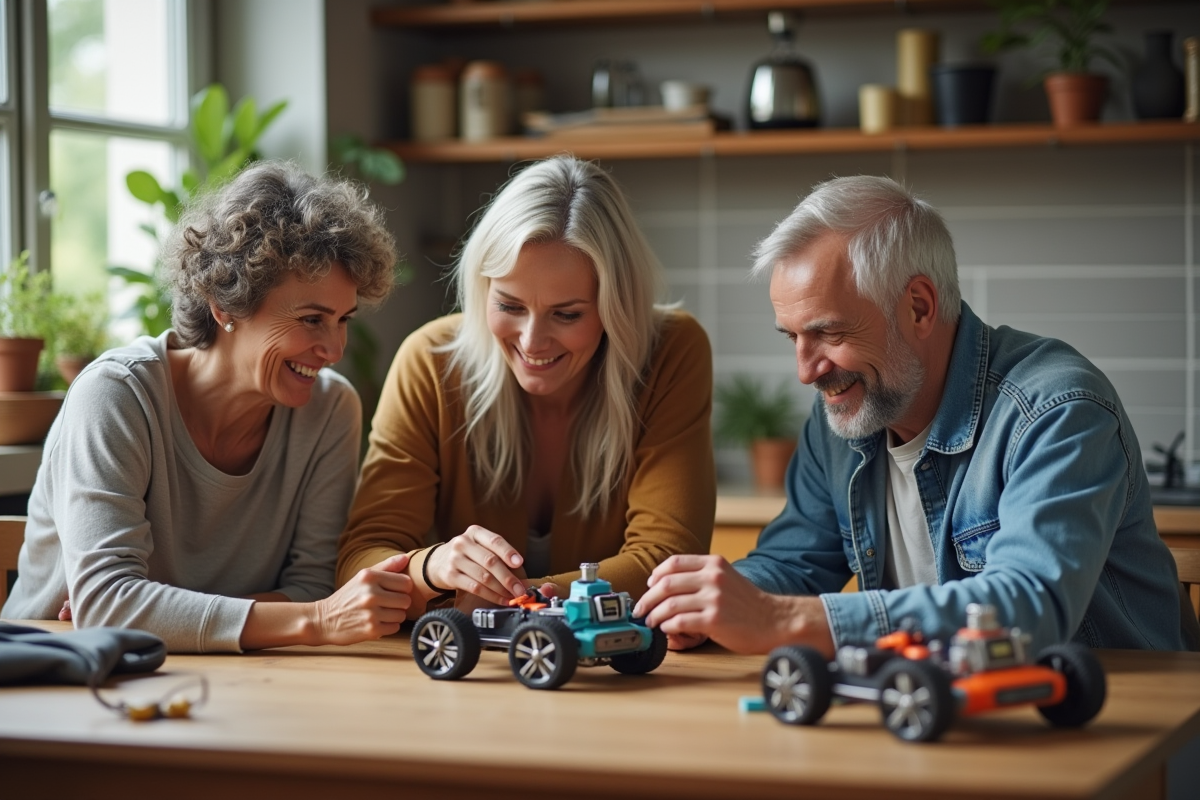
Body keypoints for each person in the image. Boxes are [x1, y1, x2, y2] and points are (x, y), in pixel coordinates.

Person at [635, 175, 1200, 656]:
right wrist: (706, 606)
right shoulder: (845, 415)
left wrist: (779, 619)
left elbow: (1028, 607)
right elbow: (793, 565)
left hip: (1121, 719)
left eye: (829, 333)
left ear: (919, 307)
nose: (806, 371)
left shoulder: (1057, 412)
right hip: (953, 711)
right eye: (793, 337)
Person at [2, 161, 415, 653]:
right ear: (225, 307)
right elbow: (110, 605)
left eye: (343, 319)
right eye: (311, 319)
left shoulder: (329, 410)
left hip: (223, 675)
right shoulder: (115, 395)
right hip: (57, 673)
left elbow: (312, 584)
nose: (334, 349)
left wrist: (160, 612)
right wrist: (316, 620)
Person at [337, 156, 714, 617]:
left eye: (567, 314)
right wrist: (433, 567)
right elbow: (361, 564)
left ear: (616, 306)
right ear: (483, 289)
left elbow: (668, 563)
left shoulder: (671, 351)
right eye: (510, 306)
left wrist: (515, 601)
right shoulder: (430, 362)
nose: (533, 341)